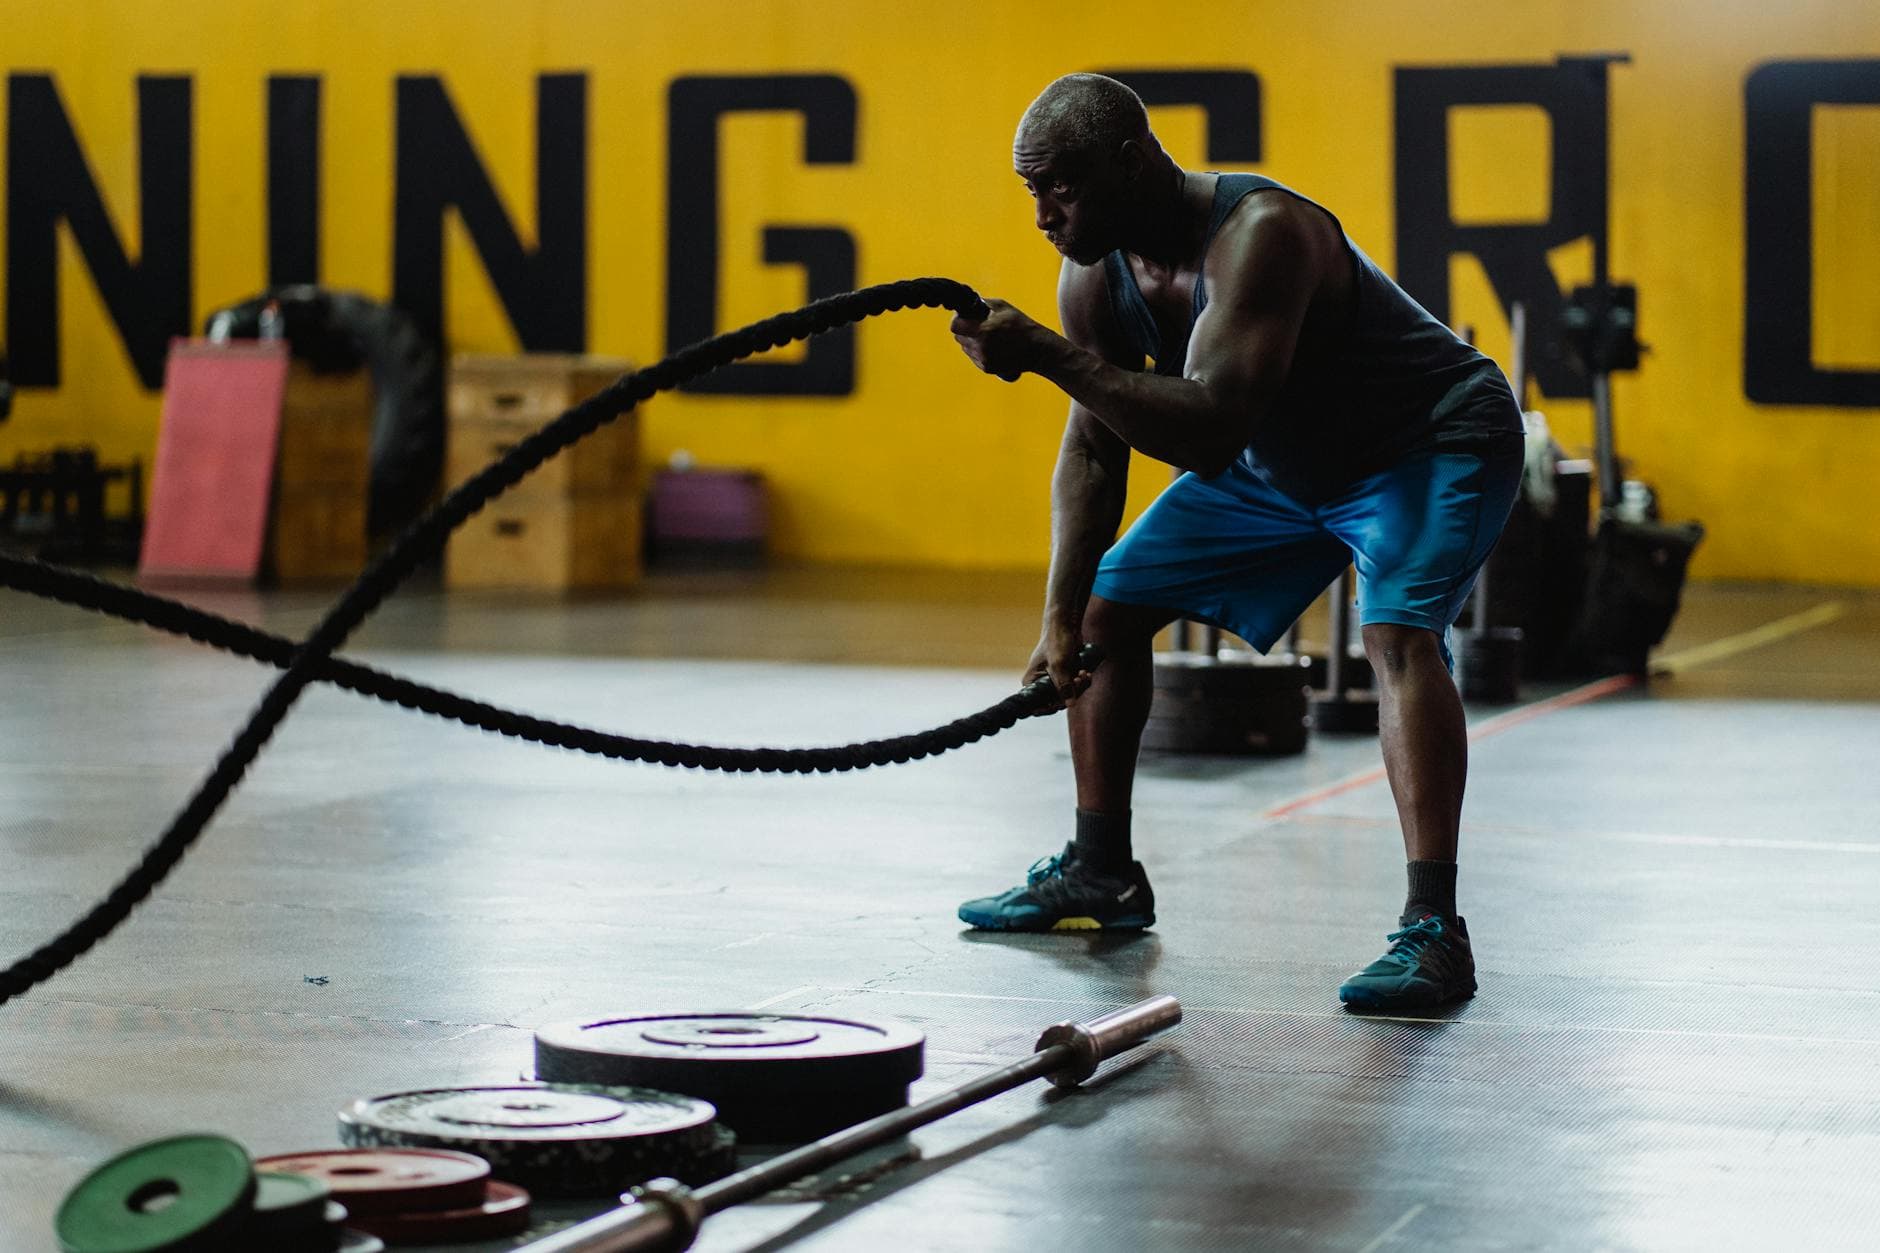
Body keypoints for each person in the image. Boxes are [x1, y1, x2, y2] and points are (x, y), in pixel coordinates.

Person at [948, 74, 1524, 1012]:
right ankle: (1102, 875)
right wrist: (1058, 619)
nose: (1045, 216)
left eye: (1061, 187)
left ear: (1131, 162)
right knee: (1106, 612)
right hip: (1280, 463)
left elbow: (1210, 427)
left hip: (1424, 442)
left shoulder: (1263, 234)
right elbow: (1095, 448)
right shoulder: (1095, 272)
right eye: (1032, 193)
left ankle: (1435, 932)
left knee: (1398, 637)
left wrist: (1052, 356)